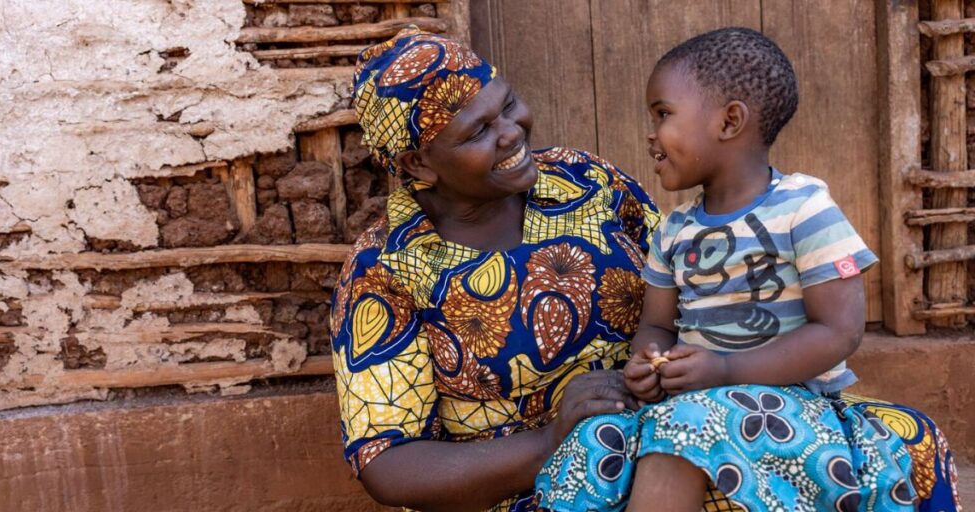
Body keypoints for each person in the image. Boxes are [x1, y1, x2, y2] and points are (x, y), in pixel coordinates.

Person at [534, 27, 961, 512]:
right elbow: (655, 324)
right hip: (692, 399)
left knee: (684, 428)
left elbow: (839, 332)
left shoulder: (805, 209)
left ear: (730, 120)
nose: (650, 134)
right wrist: (648, 363)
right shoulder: (673, 231)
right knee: (598, 437)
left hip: (790, 401)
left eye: (663, 114)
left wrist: (725, 369)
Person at [329, 27, 661, 511]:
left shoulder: (584, 179)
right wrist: (549, 442)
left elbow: (680, 274)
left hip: (663, 461)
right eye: (478, 131)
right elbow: (388, 465)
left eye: (507, 105)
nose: (511, 132)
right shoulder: (385, 270)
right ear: (419, 163)